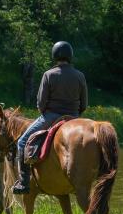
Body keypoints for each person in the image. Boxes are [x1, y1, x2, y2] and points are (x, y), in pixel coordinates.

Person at [11, 41, 88, 194]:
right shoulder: (80, 75)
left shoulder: (49, 74)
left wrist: (46, 113)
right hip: (73, 117)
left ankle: (23, 183)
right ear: (70, 56)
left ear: (54, 56)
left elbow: (41, 103)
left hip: (51, 116)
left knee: (21, 142)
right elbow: (84, 103)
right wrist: (75, 115)